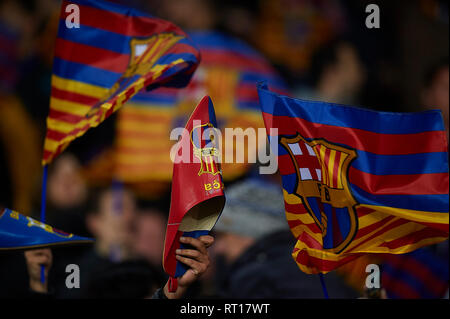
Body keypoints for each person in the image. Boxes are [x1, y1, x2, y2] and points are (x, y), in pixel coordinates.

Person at [211, 178, 359, 298]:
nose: (218, 248)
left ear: (250, 232)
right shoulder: (314, 270)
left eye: (223, 237)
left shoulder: (257, 278)